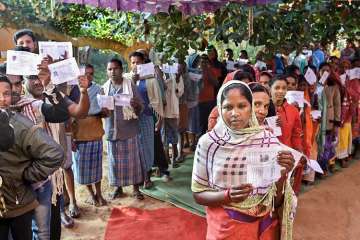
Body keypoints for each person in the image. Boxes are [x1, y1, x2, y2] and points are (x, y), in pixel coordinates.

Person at [192, 80, 297, 240]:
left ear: (250, 108)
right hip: (224, 228)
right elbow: (198, 194)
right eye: (228, 107)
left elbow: (275, 201)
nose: (235, 113)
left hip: (261, 227)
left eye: (242, 106)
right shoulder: (209, 143)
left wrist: (283, 175)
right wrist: (227, 196)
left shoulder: (267, 141)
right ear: (220, 108)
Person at [0, 75, 64, 240]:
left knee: (41, 233)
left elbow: (55, 153)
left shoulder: (19, 123)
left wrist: (27, 175)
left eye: (6, 93)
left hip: (20, 201)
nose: (2, 99)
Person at [102, 58, 145, 200]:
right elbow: (102, 112)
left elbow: (141, 107)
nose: (112, 72)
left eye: (115, 69)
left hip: (129, 130)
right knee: (115, 163)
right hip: (112, 130)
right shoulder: (105, 88)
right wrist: (103, 110)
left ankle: (136, 189)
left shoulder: (130, 85)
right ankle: (118, 188)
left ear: (121, 70)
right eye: (109, 69)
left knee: (133, 162)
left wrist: (135, 105)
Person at [72, 64, 107, 206]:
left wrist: (105, 111)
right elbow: (70, 116)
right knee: (83, 170)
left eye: (90, 73)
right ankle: (91, 195)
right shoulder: (73, 90)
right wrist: (71, 138)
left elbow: (106, 112)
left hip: (96, 134)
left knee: (97, 168)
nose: (88, 76)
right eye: (84, 74)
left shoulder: (99, 89)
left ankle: (99, 193)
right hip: (79, 136)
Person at [128, 51, 164, 188]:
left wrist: (160, 119)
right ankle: (137, 177)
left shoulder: (151, 79)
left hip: (147, 117)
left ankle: (147, 176)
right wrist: (133, 81)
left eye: (138, 62)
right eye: (133, 62)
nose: (136, 65)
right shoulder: (127, 79)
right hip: (132, 120)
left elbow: (158, 100)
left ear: (144, 62)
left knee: (147, 147)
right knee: (135, 148)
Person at [269, 75, 304, 194]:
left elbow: (296, 134)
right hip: (267, 157)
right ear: (270, 89)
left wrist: (299, 152)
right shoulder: (263, 108)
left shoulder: (293, 111)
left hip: (287, 157)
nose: (281, 91)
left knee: (284, 190)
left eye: (284, 88)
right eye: (277, 87)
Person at [317, 63, 341, 175]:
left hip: (329, 121)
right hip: (317, 121)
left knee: (327, 145)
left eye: (328, 70)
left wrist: (336, 123)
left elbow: (337, 105)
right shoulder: (315, 86)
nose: (325, 72)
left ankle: (324, 166)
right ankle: (316, 168)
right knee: (317, 144)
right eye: (323, 70)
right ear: (319, 72)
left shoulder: (334, 87)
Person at [162, 62, 184, 167]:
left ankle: (174, 159)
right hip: (162, 111)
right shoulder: (159, 73)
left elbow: (179, 92)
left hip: (173, 110)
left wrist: (178, 78)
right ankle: (166, 159)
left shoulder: (175, 74)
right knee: (164, 136)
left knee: (174, 135)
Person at [186, 53, 203, 151]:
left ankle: (193, 142)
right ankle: (188, 142)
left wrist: (201, 79)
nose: (197, 62)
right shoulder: (185, 72)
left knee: (194, 122)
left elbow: (201, 87)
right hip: (187, 100)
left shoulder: (199, 72)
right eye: (196, 61)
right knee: (188, 122)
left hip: (195, 100)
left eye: (198, 61)